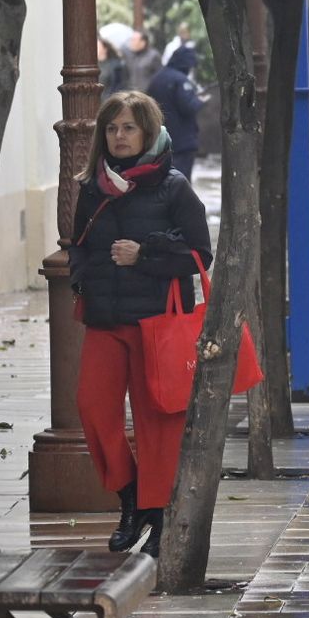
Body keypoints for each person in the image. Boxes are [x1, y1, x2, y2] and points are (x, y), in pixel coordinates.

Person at [71, 91, 211, 560]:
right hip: (105, 320)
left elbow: (199, 254)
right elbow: (79, 244)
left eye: (128, 128)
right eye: (111, 129)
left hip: (156, 323)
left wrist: (144, 253)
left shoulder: (173, 187)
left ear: (147, 132)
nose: (119, 136)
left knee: (158, 422)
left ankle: (158, 515)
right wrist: (81, 277)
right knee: (94, 410)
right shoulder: (93, 186)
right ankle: (129, 497)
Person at [146, 46, 207, 181]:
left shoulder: (157, 78)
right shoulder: (181, 80)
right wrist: (199, 100)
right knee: (182, 181)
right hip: (182, 141)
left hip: (161, 140)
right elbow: (188, 107)